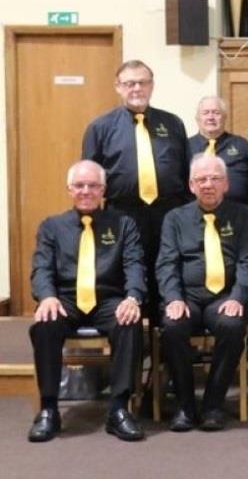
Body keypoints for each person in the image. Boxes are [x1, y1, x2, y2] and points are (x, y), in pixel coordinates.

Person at [27, 160, 146, 442]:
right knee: (45, 324)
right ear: (69, 189)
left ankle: (119, 409)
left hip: (108, 299)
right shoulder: (52, 226)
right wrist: (46, 297)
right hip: (65, 300)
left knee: (128, 321)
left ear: (103, 190)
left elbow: (135, 265)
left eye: (93, 186)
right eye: (79, 185)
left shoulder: (123, 224)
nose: (86, 191)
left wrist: (133, 297)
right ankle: (49, 409)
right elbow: (41, 268)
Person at [157, 154, 248, 432]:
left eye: (214, 178)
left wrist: (238, 297)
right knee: (172, 326)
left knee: (231, 325)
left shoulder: (242, 215)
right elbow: (167, 263)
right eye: (201, 179)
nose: (208, 184)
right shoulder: (175, 218)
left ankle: (213, 404)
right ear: (191, 185)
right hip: (186, 296)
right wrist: (173, 298)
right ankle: (185, 405)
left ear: (226, 184)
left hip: (224, 296)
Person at [83, 59, 191, 314]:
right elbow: (89, 179)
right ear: (118, 87)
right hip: (122, 214)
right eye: (129, 83)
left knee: (168, 271)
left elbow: (187, 173)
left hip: (168, 212)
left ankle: (166, 335)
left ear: (152, 86)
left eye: (142, 82)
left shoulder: (173, 123)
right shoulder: (100, 127)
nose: (136, 89)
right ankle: (132, 335)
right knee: (128, 274)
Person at [189, 96, 248, 233]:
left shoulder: (241, 145)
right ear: (197, 118)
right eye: (206, 113)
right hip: (196, 220)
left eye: (216, 113)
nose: (211, 117)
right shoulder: (186, 147)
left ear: (224, 118)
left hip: (240, 217)